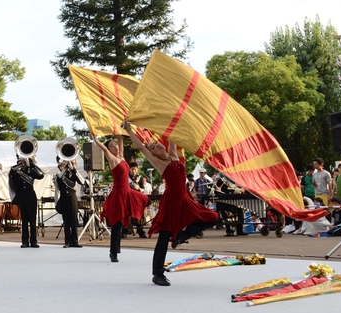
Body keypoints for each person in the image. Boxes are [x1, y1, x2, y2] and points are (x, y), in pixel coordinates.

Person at [125, 123, 218, 287]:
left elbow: (172, 132)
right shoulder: (158, 163)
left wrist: (171, 115)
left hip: (186, 200)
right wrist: (129, 130)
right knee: (163, 238)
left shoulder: (173, 155)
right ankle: (157, 274)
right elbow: (141, 146)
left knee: (212, 217)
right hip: (171, 202)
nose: (157, 144)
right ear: (152, 153)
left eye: (156, 143)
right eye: (153, 146)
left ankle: (182, 236)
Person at [91, 134, 148, 262]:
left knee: (146, 199)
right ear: (109, 150)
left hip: (128, 192)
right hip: (119, 194)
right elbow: (104, 149)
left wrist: (118, 131)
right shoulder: (112, 159)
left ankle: (142, 227)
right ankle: (113, 252)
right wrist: (95, 139)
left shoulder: (121, 156)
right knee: (118, 224)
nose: (115, 146)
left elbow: (120, 139)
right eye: (112, 146)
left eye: (115, 144)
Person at [8, 152, 44, 248]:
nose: (22, 164)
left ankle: (33, 241)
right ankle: (25, 241)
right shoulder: (15, 173)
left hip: (31, 196)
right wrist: (18, 167)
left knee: (32, 220)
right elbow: (11, 175)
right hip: (22, 197)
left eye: (23, 162)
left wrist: (30, 163)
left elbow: (40, 175)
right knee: (24, 220)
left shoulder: (31, 171)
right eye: (20, 162)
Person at [53, 156, 83, 248]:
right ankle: (67, 241)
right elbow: (58, 184)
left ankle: (75, 241)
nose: (62, 166)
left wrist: (73, 169)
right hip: (64, 198)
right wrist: (64, 169)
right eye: (61, 165)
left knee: (74, 220)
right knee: (66, 221)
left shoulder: (73, 174)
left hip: (72, 197)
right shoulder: (58, 175)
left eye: (64, 164)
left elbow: (81, 181)